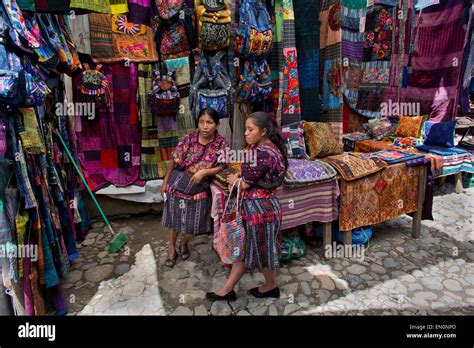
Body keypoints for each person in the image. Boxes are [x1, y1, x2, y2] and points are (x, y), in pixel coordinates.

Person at [206, 112, 287, 301]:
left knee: (245, 249)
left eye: (251, 129)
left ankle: (231, 290)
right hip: (268, 208)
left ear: (264, 131)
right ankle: (266, 286)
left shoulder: (260, 153)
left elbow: (244, 184)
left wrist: (234, 179)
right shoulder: (272, 149)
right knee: (261, 248)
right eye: (246, 129)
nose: (246, 133)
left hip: (258, 210)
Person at [161, 108, 230, 267]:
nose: (205, 126)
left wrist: (205, 171)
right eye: (201, 122)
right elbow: (174, 160)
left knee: (196, 225)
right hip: (179, 181)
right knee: (174, 218)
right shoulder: (189, 138)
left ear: (217, 125)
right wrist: (165, 183)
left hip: (200, 186)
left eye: (209, 122)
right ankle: (171, 248)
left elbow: (223, 165)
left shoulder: (221, 143)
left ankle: (184, 242)